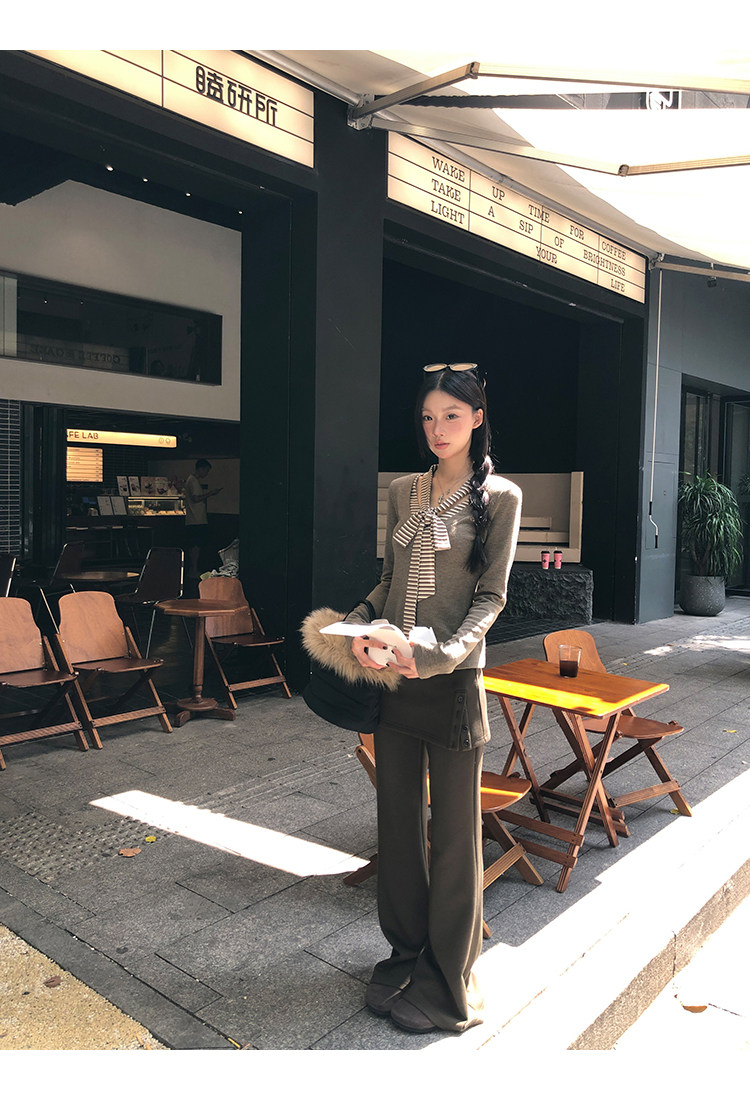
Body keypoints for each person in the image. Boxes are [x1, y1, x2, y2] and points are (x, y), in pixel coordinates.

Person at [347, 362, 522, 1035]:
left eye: (452, 415)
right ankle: (406, 954)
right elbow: (388, 579)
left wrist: (443, 655)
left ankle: (450, 980)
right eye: (428, 417)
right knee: (397, 827)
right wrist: (359, 623)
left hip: (450, 683)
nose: (438, 429)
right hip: (394, 680)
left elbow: (492, 597)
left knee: (453, 838)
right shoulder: (403, 490)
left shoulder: (500, 496)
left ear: (477, 418)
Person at [184, 459, 222, 579]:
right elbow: (196, 498)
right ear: (201, 469)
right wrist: (211, 493)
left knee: (194, 546)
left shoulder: (191, 480)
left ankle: (193, 569)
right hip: (196, 519)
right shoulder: (193, 481)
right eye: (206, 471)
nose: (206, 474)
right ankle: (193, 570)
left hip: (194, 519)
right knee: (196, 546)